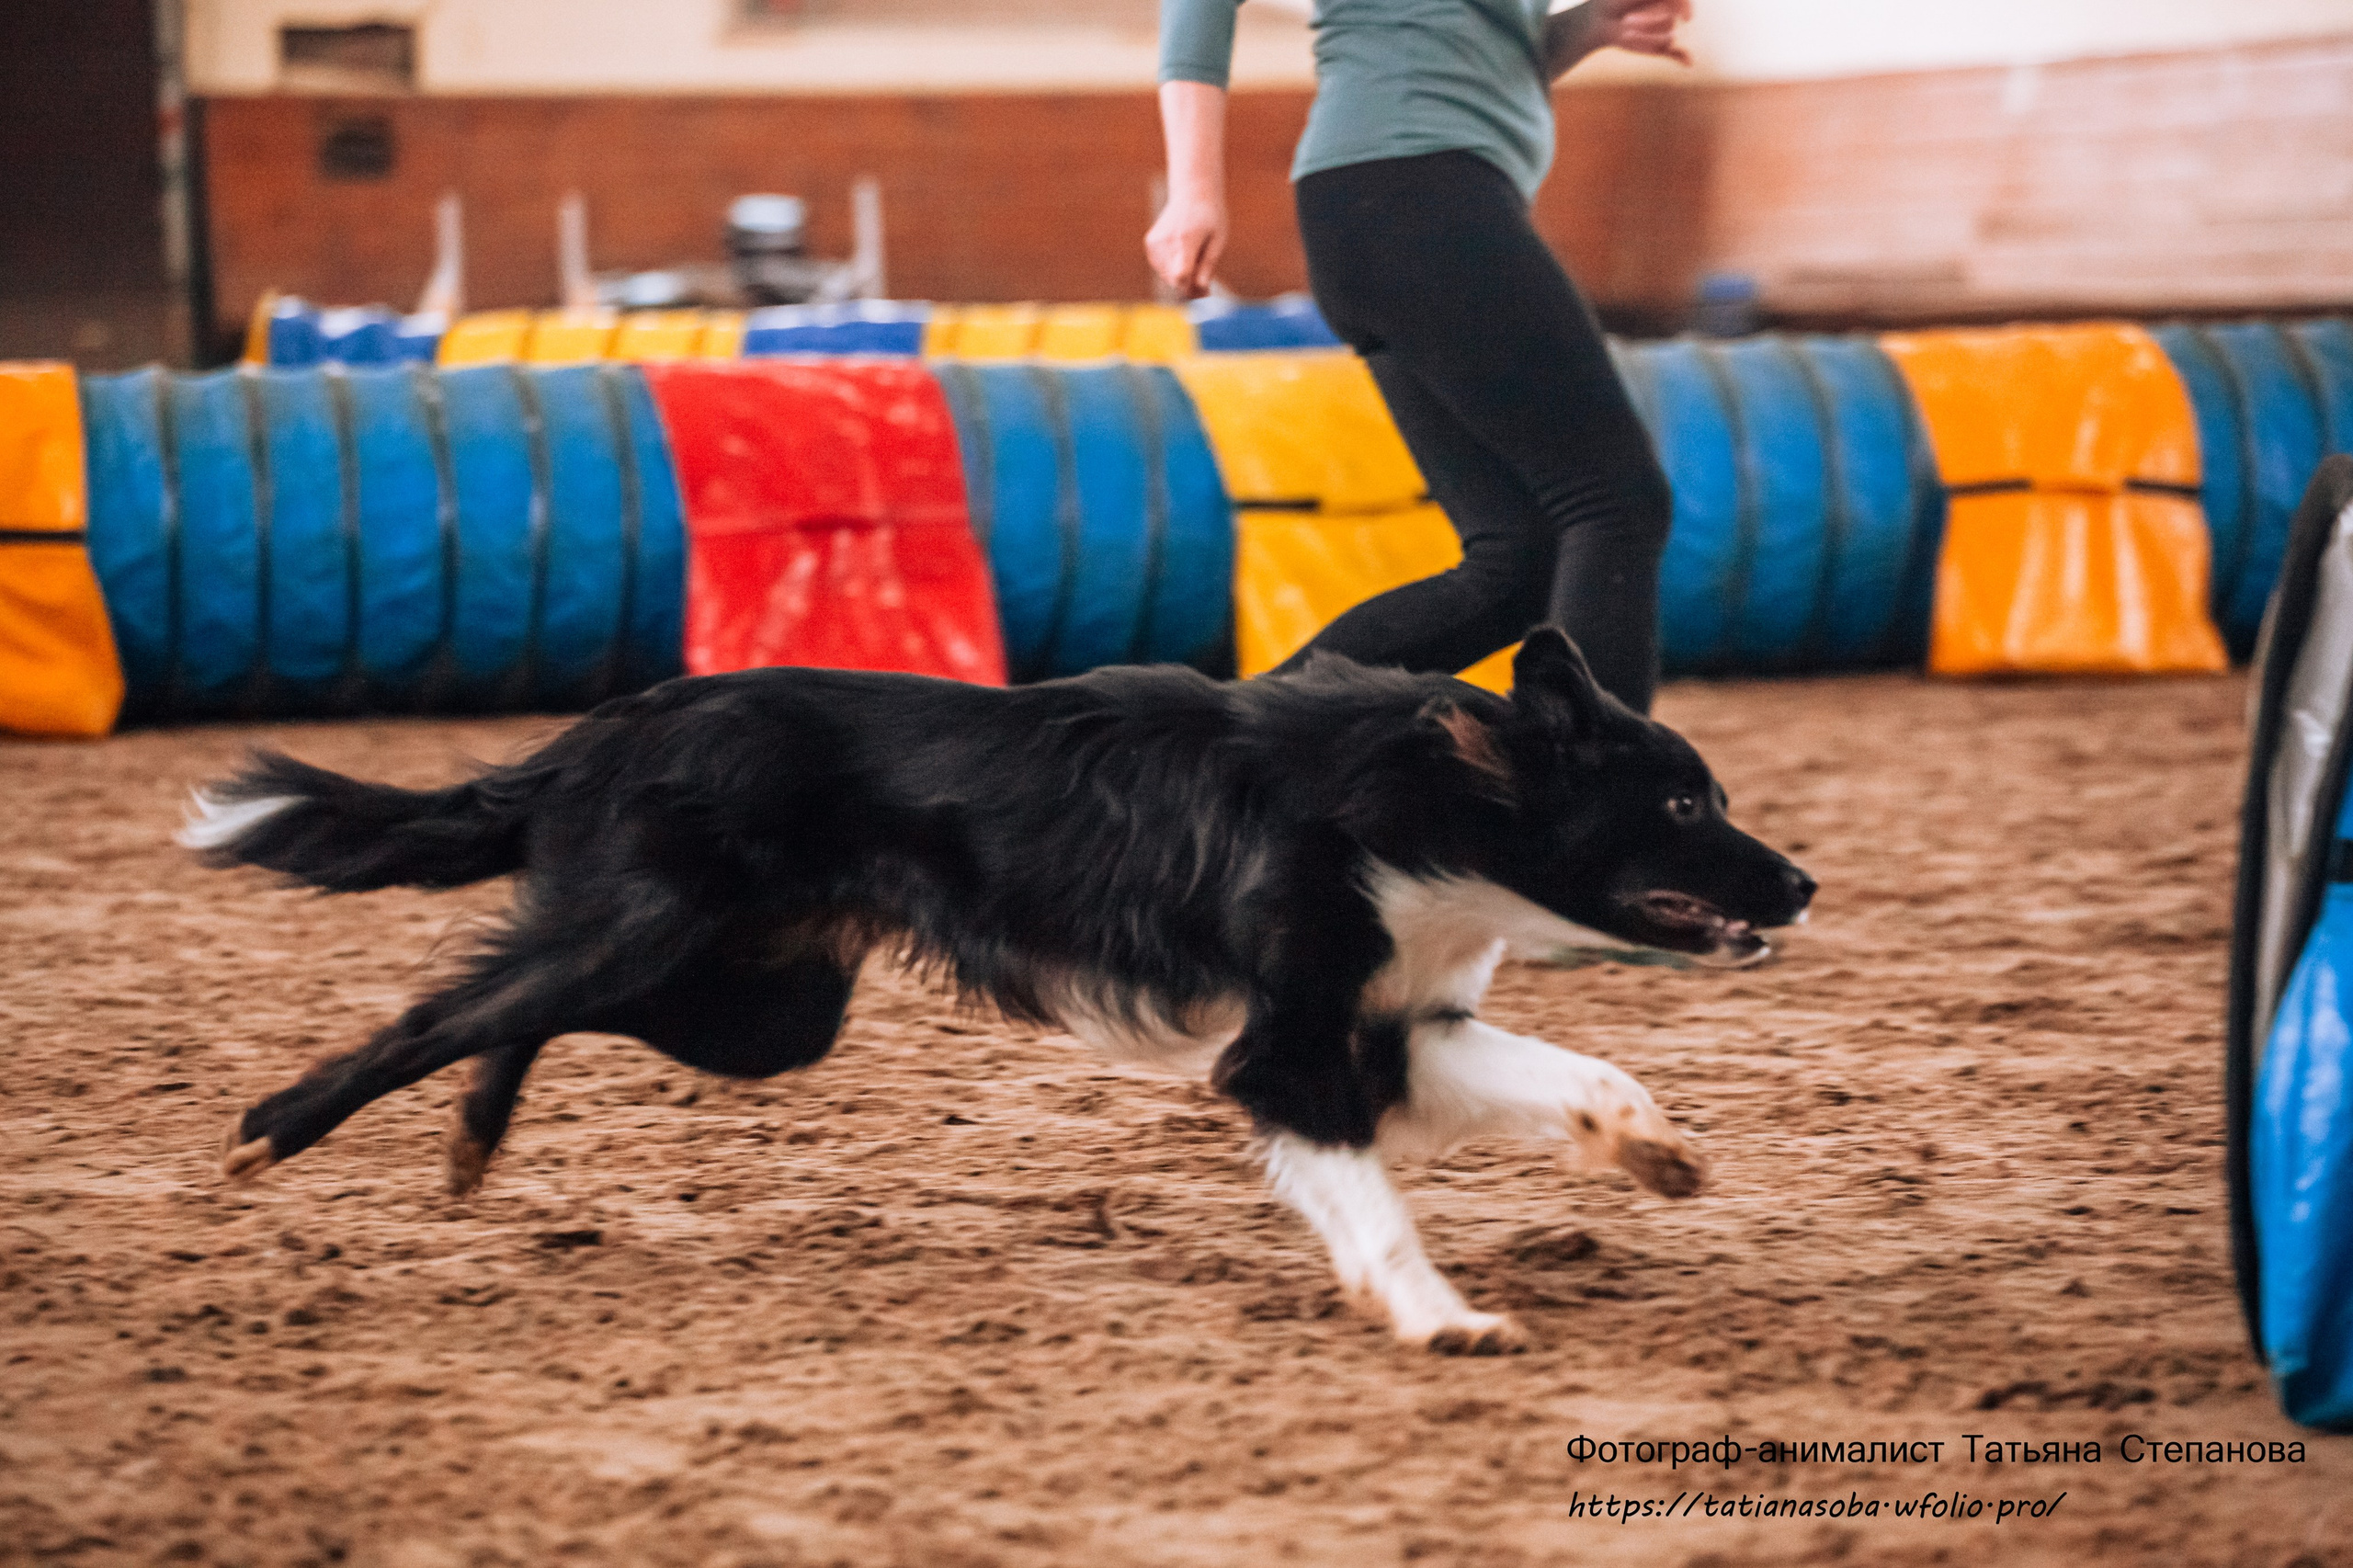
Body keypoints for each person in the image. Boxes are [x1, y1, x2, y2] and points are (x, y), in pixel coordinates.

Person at [1148, 0, 1692, 713]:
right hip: (1414, 194)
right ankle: (1590, 809)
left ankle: (1218, 746)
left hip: (1399, 203)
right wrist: (1193, 191)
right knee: (1615, 502)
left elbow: (1449, 41)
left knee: (1521, 559)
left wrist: (1582, 30)